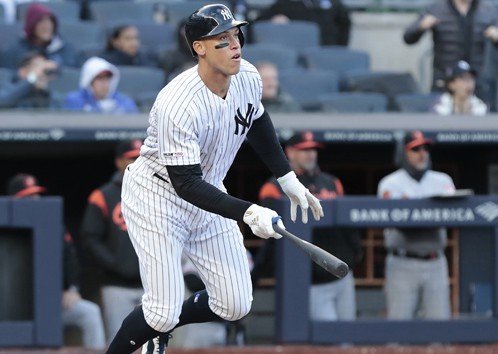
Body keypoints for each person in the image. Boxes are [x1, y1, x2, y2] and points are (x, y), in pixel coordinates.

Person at [104, 4, 323, 354]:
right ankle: (153, 326)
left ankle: (159, 324)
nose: (235, 44)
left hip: (208, 190)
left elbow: (258, 119)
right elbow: (186, 184)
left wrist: (287, 177)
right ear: (199, 48)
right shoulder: (177, 102)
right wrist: (250, 212)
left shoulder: (248, 76)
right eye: (222, 39)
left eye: (235, 35)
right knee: (161, 310)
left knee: (235, 304)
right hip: (157, 193)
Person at [253, 130, 362, 321]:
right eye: (304, 150)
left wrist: (354, 257)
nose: (311, 154)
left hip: (342, 274)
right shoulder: (274, 187)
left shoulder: (332, 182)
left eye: (313, 149)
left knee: (347, 338)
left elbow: (348, 227)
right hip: (309, 281)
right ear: (290, 152)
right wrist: (257, 275)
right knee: (325, 342)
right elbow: (272, 240)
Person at [6, 173, 106, 349]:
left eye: (36, 194)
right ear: (15, 200)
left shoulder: (53, 225)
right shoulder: (7, 232)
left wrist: (73, 288)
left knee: (90, 313)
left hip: (51, 303)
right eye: (28, 196)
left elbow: (70, 258)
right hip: (16, 309)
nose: (35, 200)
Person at [377, 131, 456, 320]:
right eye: (415, 149)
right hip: (402, 261)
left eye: (425, 148)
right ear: (403, 154)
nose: (422, 153)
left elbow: (455, 215)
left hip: (436, 261)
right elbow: (396, 223)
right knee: (399, 328)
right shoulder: (390, 183)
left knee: (439, 328)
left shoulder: (443, 180)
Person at [79, 139, 145, 345]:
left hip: (152, 285)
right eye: (130, 158)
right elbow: (90, 238)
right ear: (118, 162)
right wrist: (116, 264)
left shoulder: (157, 193)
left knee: (153, 345)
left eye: (139, 157)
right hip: (116, 286)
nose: (135, 162)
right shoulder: (103, 195)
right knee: (119, 342)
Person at [403, 0, 498, 95]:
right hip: (444, 81)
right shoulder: (436, 9)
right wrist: (421, 27)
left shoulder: (487, 10)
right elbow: (408, 38)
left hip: (475, 83)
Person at [2, 3, 78, 70]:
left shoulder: (66, 50)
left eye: (50, 21)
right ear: (31, 26)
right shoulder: (15, 51)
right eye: (41, 22)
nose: (47, 26)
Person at [255, 0, 352, 46]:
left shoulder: (334, 5)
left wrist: (339, 49)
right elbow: (258, 22)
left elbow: (344, 26)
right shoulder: (285, 5)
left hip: (327, 52)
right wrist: (273, 19)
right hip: (296, 54)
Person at [63, 57, 139, 114]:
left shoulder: (123, 101)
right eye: (99, 79)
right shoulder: (74, 100)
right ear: (89, 81)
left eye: (107, 79)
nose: (105, 83)